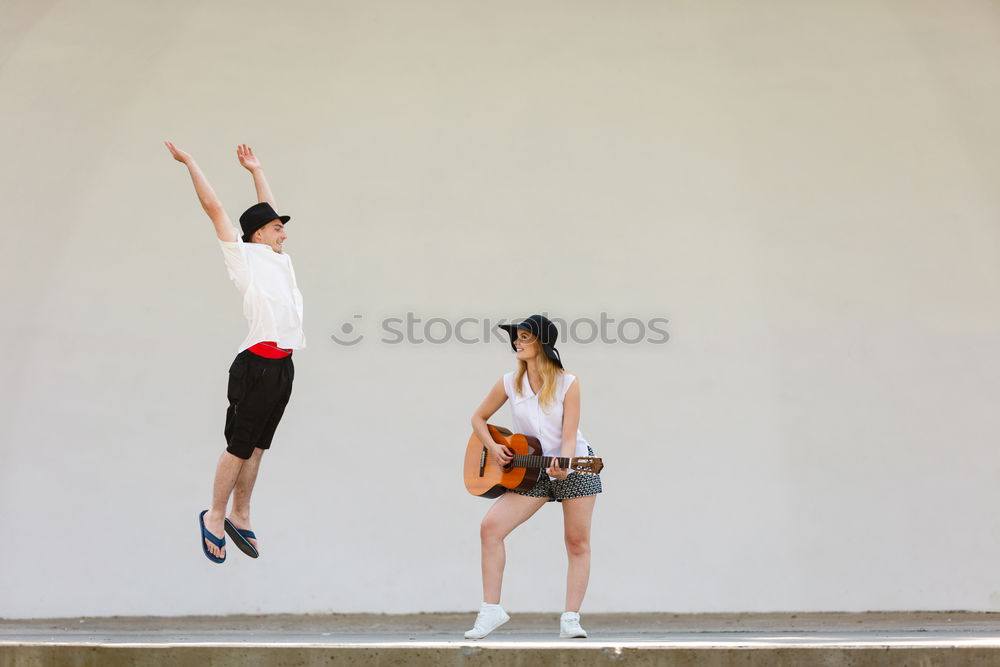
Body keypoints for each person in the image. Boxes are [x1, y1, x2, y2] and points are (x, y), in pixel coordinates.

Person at [165, 141, 305, 563]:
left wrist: (256, 171)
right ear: (258, 234)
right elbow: (216, 209)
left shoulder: (279, 258)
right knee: (239, 446)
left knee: (259, 447)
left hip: (283, 365)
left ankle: (241, 514)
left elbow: (268, 208)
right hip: (256, 364)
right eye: (277, 227)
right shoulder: (243, 257)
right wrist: (191, 162)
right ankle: (215, 514)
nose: (284, 231)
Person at [467, 314, 603, 639]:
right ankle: (491, 610)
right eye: (516, 337)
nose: (517, 341)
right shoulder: (507, 383)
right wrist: (493, 447)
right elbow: (478, 418)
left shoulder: (568, 382)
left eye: (524, 337)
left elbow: (568, 436)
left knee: (577, 542)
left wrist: (566, 464)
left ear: (541, 343)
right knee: (490, 528)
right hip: (531, 470)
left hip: (574, 465)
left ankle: (571, 618)